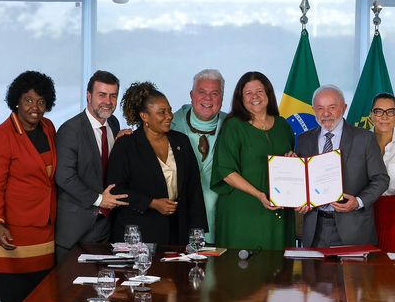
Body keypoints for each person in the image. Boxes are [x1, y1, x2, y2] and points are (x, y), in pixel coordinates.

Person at [0, 71, 58, 302]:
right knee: (12, 296)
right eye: (28, 100)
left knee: (41, 294)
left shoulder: (49, 128)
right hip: (12, 231)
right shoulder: (0, 136)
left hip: (44, 230)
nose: (34, 107)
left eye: (40, 101)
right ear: (16, 101)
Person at [107, 82, 207, 244]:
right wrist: (151, 203)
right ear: (144, 116)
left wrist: (197, 232)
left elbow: (193, 188)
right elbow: (116, 189)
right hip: (139, 234)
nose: (169, 116)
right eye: (162, 112)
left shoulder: (181, 141)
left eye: (169, 110)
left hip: (177, 232)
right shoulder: (126, 145)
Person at [295, 85, 389, 247]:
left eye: (332, 107)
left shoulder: (365, 138)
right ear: (313, 110)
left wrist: (358, 201)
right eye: (320, 108)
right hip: (314, 228)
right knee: (313, 273)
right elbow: (301, 180)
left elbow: (381, 179)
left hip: (354, 228)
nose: (326, 114)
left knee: (354, 273)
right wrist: (299, 199)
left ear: (344, 108)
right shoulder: (304, 140)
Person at [211, 72, 295, 250]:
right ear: (240, 98)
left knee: (278, 269)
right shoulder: (233, 125)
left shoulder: (283, 125)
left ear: (268, 94)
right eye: (248, 93)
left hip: (278, 210)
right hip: (242, 211)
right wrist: (259, 195)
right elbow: (226, 171)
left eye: (259, 91)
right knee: (241, 270)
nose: (254, 97)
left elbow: (290, 162)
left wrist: (292, 161)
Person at [54, 71, 128, 263]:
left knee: (100, 288)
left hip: (104, 228)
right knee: (70, 290)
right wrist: (99, 200)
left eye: (113, 96)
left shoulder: (113, 123)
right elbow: (64, 177)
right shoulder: (70, 130)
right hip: (75, 231)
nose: (108, 101)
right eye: (102, 95)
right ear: (89, 96)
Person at [171, 69, 227, 246]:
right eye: (202, 92)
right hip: (179, 222)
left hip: (223, 224)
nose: (207, 99)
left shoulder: (234, 125)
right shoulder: (168, 125)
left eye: (214, 93)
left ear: (222, 98)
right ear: (191, 95)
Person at [369, 93, 395, 253]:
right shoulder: (358, 141)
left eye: (390, 111)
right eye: (379, 111)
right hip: (364, 212)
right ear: (371, 114)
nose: (384, 117)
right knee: (365, 270)